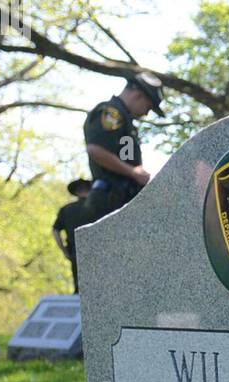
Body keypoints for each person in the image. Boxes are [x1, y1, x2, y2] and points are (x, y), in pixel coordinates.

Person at [82, 72, 164, 223]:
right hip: (109, 199)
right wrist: (133, 172)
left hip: (122, 200)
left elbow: (126, 158)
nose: (146, 113)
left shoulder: (125, 120)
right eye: (148, 107)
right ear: (138, 95)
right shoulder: (112, 113)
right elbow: (96, 150)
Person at [52, 178, 93, 292]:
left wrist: (64, 251)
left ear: (75, 192)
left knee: (80, 292)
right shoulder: (99, 207)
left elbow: (55, 231)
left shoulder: (66, 210)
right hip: (99, 254)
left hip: (76, 254)